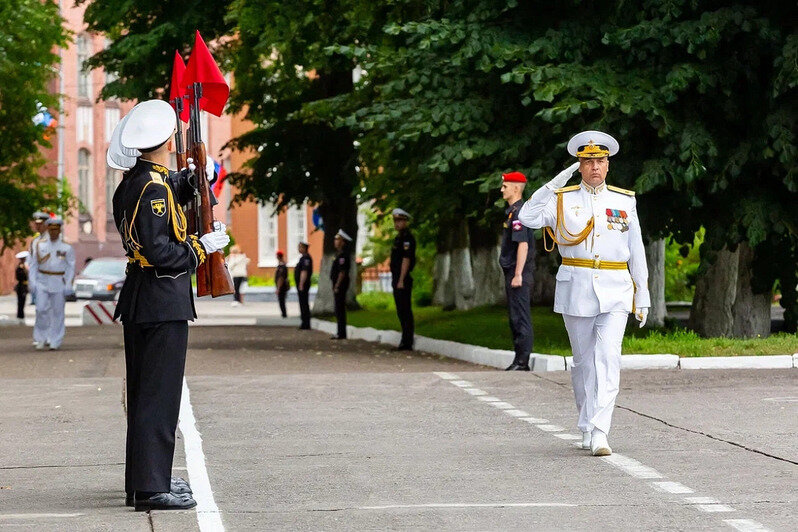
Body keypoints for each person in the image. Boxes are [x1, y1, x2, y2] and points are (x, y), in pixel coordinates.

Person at [112, 99, 229, 511]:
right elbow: (161, 248)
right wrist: (202, 246)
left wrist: (192, 178)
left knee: (149, 395)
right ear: (165, 141)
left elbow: (162, 198)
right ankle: (149, 489)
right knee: (158, 398)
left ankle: (145, 480)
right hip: (161, 298)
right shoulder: (152, 188)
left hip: (147, 298)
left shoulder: (137, 181)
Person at [518, 130, 650, 457]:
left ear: (608, 165)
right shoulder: (562, 199)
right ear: (579, 164)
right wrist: (556, 181)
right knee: (583, 364)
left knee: (608, 358)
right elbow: (527, 216)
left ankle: (601, 430)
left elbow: (637, 250)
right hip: (577, 287)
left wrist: (642, 294)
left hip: (616, 289)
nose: (595, 166)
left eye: (600, 160)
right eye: (588, 161)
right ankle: (587, 424)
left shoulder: (623, 201)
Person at [499, 171, 536, 371]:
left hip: (518, 272)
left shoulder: (519, 213)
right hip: (514, 272)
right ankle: (518, 359)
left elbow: (523, 245)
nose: (501, 189)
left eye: (505, 186)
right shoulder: (514, 212)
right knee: (515, 316)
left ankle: (522, 361)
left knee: (520, 316)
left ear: (515, 188)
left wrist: (518, 274)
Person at [28, 217, 75, 350]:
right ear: (48, 229)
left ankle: (55, 340)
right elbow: (33, 265)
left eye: (56, 230)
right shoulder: (40, 245)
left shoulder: (66, 247)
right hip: (42, 280)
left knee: (57, 312)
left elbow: (71, 267)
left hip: (59, 282)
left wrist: (69, 285)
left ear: (60, 230)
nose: (53, 232)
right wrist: (32, 282)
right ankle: (40, 338)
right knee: (41, 309)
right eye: (51, 229)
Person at [390, 208, 416, 350]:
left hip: (403, 279)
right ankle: (405, 338)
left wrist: (401, 280)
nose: (397, 223)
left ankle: (407, 340)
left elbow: (406, 260)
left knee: (405, 310)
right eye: (395, 221)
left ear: (405, 221)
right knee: (401, 310)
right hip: (397, 278)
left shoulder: (407, 239)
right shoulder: (398, 238)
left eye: (399, 220)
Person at [330, 229, 353, 340]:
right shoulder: (339, 254)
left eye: (337, 239)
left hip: (341, 285)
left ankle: (341, 333)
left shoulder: (343, 256)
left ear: (343, 242)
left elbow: (342, 272)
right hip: (338, 284)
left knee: (339, 308)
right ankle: (340, 332)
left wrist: (337, 285)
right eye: (335, 239)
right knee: (338, 308)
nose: (335, 241)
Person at [28, 211, 50, 308]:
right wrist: (32, 281)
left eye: (40, 224)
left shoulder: (52, 240)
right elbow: (32, 263)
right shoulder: (35, 242)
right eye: (36, 224)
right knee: (41, 310)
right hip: (39, 280)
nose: (37, 226)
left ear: (46, 225)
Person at [294, 241, 313, 329]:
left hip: (304, 285)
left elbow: (304, 272)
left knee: (304, 303)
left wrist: (301, 283)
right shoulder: (303, 258)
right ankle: (304, 322)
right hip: (303, 284)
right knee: (303, 303)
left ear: (304, 248)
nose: (298, 248)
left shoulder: (306, 258)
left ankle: (306, 323)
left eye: (300, 247)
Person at [14, 251, 30, 322]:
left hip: (24, 286)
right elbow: (19, 277)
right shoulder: (20, 267)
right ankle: (20, 315)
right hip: (21, 286)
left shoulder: (24, 266)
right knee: (20, 301)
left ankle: (21, 314)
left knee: (23, 302)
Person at [274, 250, 289, 318]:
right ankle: (284, 313)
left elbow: (281, 278)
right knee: (282, 300)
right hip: (283, 286)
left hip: (282, 286)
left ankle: (284, 314)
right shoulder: (283, 265)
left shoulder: (281, 266)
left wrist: (278, 288)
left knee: (281, 300)